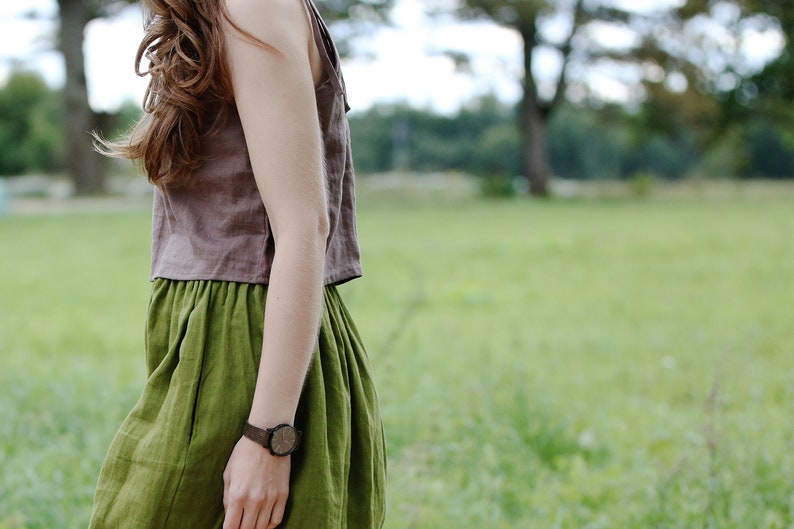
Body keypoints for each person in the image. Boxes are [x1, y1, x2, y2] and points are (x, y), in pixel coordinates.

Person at [87, 0, 387, 527]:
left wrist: (268, 438)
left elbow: (303, 229)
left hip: (248, 350)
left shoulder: (253, 5)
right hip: (207, 345)